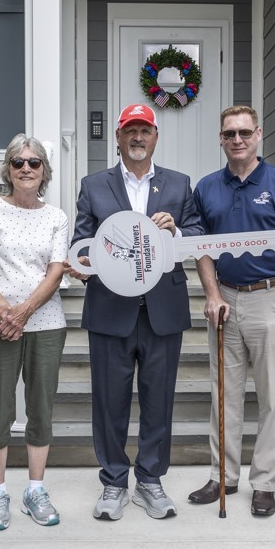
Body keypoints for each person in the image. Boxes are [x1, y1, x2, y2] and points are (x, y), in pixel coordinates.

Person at [64, 104, 203, 521]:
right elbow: (83, 242)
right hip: (111, 308)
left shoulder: (178, 184)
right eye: (130, 131)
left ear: (156, 137)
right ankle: (112, 481)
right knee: (110, 400)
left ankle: (150, 480)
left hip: (162, 308)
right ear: (119, 138)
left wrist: (174, 231)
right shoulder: (94, 185)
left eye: (145, 130)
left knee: (159, 399)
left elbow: (196, 234)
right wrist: (84, 267)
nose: (138, 138)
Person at [188, 105, 275, 517]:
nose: (238, 140)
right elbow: (200, 247)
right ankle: (222, 476)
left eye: (244, 132)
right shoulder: (207, 187)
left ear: (258, 134)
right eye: (230, 133)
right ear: (221, 138)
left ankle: (264, 482)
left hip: (271, 297)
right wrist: (212, 295)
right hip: (224, 297)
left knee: (270, 396)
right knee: (223, 394)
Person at [0, 135, 70, 531]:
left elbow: (56, 269)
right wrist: (4, 311)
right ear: (7, 169)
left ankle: (35, 490)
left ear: (44, 171)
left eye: (34, 163)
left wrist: (24, 311)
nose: (26, 168)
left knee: (40, 407)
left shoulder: (55, 216)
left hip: (45, 324)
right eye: (18, 162)